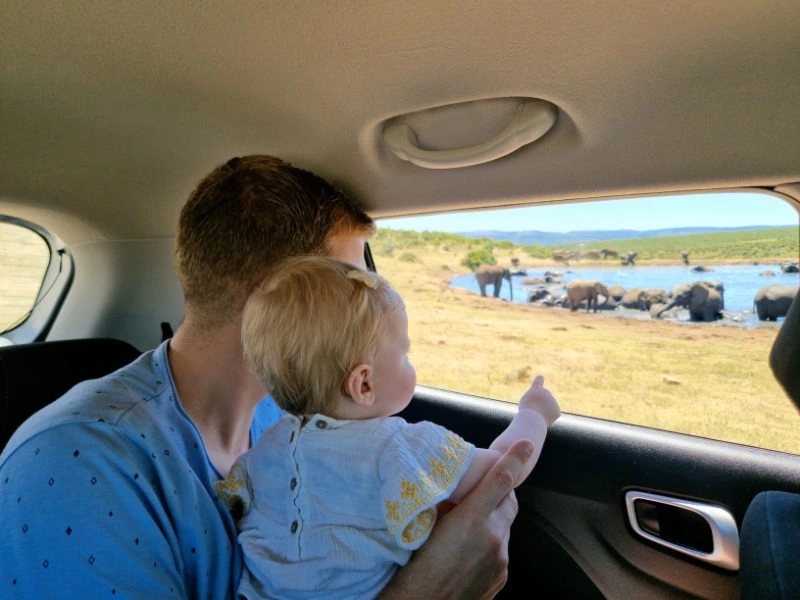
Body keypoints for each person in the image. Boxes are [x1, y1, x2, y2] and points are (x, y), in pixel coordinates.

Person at [0, 155, 534, 599]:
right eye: (350, 284)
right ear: (275, 304)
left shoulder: (299, 416)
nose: (370, 307)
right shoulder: (72, 466)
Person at [215, 256, 561, 599]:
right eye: (404, 355)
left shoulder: (264, 449)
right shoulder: (400, 446)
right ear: (363, 385)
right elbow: (503, 469)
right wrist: (534, 414)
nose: (410, 362)